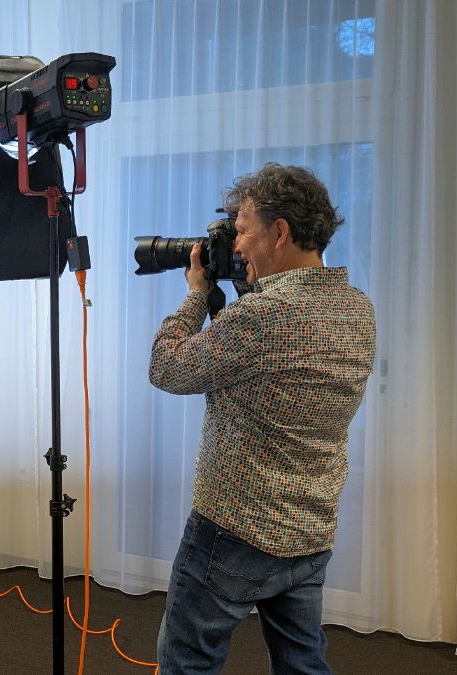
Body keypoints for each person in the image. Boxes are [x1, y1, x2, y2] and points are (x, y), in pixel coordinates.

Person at [148, 163, 376, 673]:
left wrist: (194, 294)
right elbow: (268, 363)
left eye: (244, 228)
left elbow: (167, 368)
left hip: (234, 527)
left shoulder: (259, 318)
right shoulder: (355, 306)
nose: (237, 243)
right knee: (302, 664)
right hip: (309, 525)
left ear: (280, 232)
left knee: (187, 661)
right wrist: (238, 295)